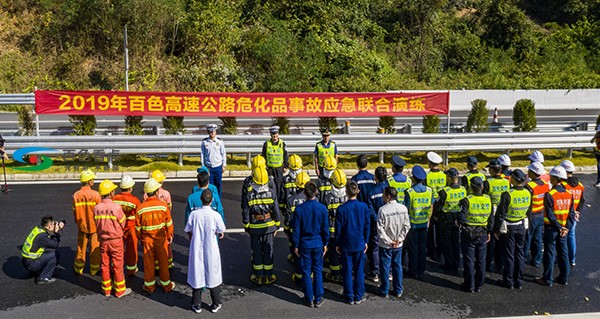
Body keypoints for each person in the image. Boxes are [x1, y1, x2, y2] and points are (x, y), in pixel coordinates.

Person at [185, 189, 226, 314]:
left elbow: (188, 228)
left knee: (197, 273)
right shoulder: (215, 215)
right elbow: (221, 229)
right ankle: (215, 303)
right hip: (211, 248)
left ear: (201, 200)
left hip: (197, 247)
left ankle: (196, 303)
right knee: (213, 274)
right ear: (212, 200)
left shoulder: (194, 214)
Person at [292, 181, 330, 308]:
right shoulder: (322, 208)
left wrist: (295, 245)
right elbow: (326, 229)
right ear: (316, 192)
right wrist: (325, 243)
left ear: (304, 193)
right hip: (318, 243)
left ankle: (309, 298)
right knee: (318, 270)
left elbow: (296, 230)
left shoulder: (299, 209)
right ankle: (318, 297)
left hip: (305, 244)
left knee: (306, 272)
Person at [536, 166, 575, 286]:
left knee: (549, 253)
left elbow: (550, 214)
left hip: (552, 228)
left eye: (551, 177)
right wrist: (566, 228)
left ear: (555, 178)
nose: (549, 179)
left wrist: (559, 227)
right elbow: (571, 214)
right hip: (563, 229)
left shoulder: (550, 194)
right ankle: (564, 278)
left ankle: (547, 279)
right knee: (563, 253)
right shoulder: (569, 194)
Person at [243, 166, 281, 285]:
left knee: (257, 251)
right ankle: (268, 276)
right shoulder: (272, 193)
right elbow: (275, 210)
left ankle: (258, 276)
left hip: (254, 227)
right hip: (269, 226)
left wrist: (246, 225)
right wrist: (277, 224)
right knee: (268, 251)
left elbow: (246, 211)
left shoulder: (249, 194)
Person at [136, 178, 175, 294]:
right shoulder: (163, 206)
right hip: (161, 240)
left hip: (147, 241)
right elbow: (169, 224)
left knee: (148, 264)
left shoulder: (140, 208)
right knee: (163, 263)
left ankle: (149, 287)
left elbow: (137, 228)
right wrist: (169, 236)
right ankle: (166, 285)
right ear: (157, 191)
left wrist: (141, 238)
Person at [494, 169, 531, 290]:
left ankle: (508, 281)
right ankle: (519, 281)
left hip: (509, 227)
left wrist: (496, 229)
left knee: (509, 255)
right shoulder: (527, 192)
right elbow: (529, 211)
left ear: (514, 179)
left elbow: (500, 214)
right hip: (521, 226)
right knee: (519, 254)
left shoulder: (507, 194)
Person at [94, 179, 131, 298]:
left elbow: (96, 223)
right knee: (118, 264)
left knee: (105, 264)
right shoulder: (116, 208)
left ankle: (106, 290)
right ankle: (120, 290)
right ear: (110, 193)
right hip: (116, 240)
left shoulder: (96, 208)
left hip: (103, 240)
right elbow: (123, 223)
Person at [336, 181, 370, 305]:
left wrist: (338, 243)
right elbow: (367, 225)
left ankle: (349, 295)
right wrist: (366, 240)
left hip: (346, 243)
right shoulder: (364, 207)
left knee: (347, 270)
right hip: (359, 243)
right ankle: (359, 295)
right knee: (359, 270)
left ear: (346, 192)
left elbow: (338, 229)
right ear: (358, 191)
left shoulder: (341, 209)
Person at [458, 177, 493, 293]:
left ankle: (469, 285)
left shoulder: (467, 200)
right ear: (482, 187)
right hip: (482, 232)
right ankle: (479, 284)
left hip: (469, 233)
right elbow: (491, 218)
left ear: (471, 187)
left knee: (469, 260)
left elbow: (461, 218)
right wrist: (489, 232)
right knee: (481, 260)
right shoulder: (488, 199)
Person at [377, 187, 410, 298]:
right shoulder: (403, 208)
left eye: (383, 194)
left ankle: (384, 290)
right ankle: (398, 290)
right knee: (397, 266)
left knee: (385, 267)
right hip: (398, 243)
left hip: (386, 244)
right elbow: (406, 226)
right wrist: (399, 239)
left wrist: (389, 241)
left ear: (388, 196)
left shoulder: (382, 210)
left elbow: (380, 229)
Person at [404, 165, 434, 279]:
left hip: (413, 224)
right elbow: (430, 206)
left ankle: (413, 270)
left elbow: (406, 209)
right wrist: (428, 220)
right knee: (422, 247)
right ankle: (422, 269)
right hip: (424, 223)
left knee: (413, 248)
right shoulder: (429, 190)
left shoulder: (410, 192)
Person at [434, 168, 466, 273]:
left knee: (447, 242)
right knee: (456, 242)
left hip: (446, 220)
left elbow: (438, 206)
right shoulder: (463, 190)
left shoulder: (444, 191)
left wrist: (436, 216)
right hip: (458, 219)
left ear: (448, 177)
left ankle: (449, 263)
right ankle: (456, 264)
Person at [72, 169, 101, 275]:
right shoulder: (96, 195)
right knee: (95, 248)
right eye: (92, 179)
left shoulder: (76, 195)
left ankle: (79, 269)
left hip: (82, 226)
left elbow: (75, 212)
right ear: (89, 181)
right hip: (94, 226)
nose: (93, 181)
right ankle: (94, 270)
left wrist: (78, 223)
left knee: (81, 247)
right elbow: (99, 212)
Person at [144, 170, 174, 269]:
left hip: (151, 222)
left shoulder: (146, 194)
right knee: (166, 243)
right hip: (163, 222)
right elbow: (169, 208)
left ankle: (156, 264)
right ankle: (168, 263)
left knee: (153, 244)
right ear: (161, 182)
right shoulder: (166, 194)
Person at [322, 168, 348, 282]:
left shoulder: (328, 198)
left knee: (333, 253)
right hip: (345, 231)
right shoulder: (348, 196)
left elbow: (325, 216)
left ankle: (335, 274)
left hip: (332, 231)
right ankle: (344, 271)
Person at [22, 215, 64, 284]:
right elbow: (55, 245)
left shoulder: (38, 229)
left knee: (50, 251)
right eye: (53, 224)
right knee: (55, 255)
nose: (55, 225)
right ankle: (44, 277)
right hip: (31, 264)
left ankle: (38, 270)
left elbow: (47, 242)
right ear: (48, 227)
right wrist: (56, 232)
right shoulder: (42, 237)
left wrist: (54, 231)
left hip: (26, 261)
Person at [484, 160, 510, 272]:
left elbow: (484, 198)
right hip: (503, 213)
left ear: (493, 170)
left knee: (490, 240)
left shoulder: (488, 182)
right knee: (501, 239)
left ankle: (488, 263)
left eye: (490, 168)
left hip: (492, 213)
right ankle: (500, 263)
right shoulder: (506, 182)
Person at [113, 175, 141, 276]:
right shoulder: (135, 200)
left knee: (117, 249)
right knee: (131, 249)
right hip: (131, 227)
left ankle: (115, 267)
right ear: (130, 188)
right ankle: (131, 269)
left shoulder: (114, 198)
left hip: (118, 227)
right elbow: (139, 216)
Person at [285, 171, 311, 282]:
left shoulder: (291, 200)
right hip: (309, 232)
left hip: (295, 232)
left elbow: (288, 219)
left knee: (297, 254)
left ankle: (298, 276)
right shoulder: (312, 199)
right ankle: (309, 274)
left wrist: (287, 230)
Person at [524, 162, 550, 268]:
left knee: (527, 238)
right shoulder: (545, 184)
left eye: (529, 171)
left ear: (533, 173)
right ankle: (537, 260)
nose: (527, 172)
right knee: (538, 238)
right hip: (541, 214)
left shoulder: (529, 187)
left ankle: (523, 257)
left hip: (531, 215)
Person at [560, 160, 585, 267]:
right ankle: (572, 259)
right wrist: (578, 211)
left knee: (561, 237)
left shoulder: (563, 185)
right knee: (571, 236)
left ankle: (561, 258)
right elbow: (582, 200)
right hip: (574, 214)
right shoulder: (580, 185)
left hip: (563, 214)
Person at [366, 166, 388, 283]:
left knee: (375, 248)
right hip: (388, 223)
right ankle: (388, 271)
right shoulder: (389, 189)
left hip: (375, 224)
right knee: (387, 247)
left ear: (375, 177)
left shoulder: (372, 192)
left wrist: (378, 219)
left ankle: (375, 273)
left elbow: (370, 210)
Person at [425, 152, 445, 261]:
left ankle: (431, 250)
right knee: (440, 228)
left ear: (430, 163)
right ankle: (440, 250)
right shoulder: (444, 175)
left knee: (430, 228)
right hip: (441, 203)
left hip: (430, 204)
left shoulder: (427, 176)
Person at [201, 124, 227, 197]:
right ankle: (211, 199)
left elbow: (223, 153)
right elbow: (202, 154)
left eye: (213, 132)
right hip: (209, 167)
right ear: (208, 132)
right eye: (210, 132)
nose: (212, 133)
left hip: (218, 166)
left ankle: (218, 199)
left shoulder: (220, 142)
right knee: (210, 185)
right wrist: (203, 166)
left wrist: (224, 165)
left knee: (218, 184)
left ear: (216, 132)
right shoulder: (204, 142)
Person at [262, 126, 289, 196]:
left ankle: (279, 201)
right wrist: (263, 166)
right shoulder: (266, 143)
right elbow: (263, 156)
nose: (274, 135)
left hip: (279, 168)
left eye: (276, 133)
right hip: (269, 169)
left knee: (279, 186)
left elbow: (285, 155)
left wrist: (285, 166)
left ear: (278, 134)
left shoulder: (282, 143)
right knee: (268, 186)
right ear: (270, 134)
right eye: (273, 134)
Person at [280, 154, 302, 219]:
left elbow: (282, 196)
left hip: (289, 210)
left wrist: (284, 211)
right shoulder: (305, 178)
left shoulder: (284, 179)